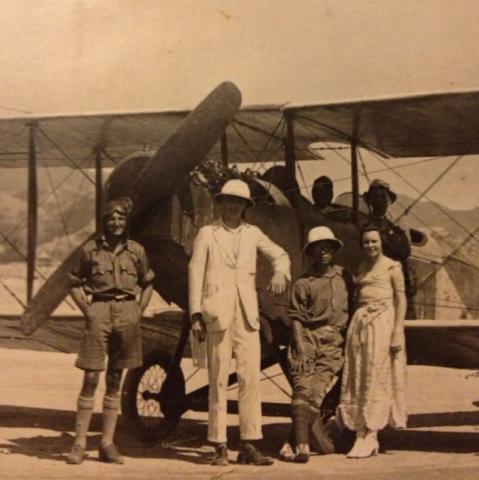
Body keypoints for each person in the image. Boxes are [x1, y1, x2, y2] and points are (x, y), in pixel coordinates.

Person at [188, 179, 290, 466]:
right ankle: (219, 444)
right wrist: (195, 314)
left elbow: (279, 254)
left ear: (246, 206)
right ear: (221, 203)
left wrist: (280, 272)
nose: (233, 205)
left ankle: (249, 443)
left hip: (246, 314)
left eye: (239, 201)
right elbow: (195, 271)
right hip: (217, 314)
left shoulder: (253, 233)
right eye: (228, 200)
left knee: (250, 378)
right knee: (218, 379)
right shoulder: (207, 233)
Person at [66, 197, 154, 465]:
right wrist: (88, 310)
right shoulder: (89, 251)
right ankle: (79, 443)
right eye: (111, 219)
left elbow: (147, 282)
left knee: (115, 379)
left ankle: (107, 443)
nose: (116, 223)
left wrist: (138, 311)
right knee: (92, 376)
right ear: (103, 222)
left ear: (126, 222)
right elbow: (73, 282)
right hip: (99, 311)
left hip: (128, 312)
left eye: (120, 219)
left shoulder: (137, 251)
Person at [279, 226, 353, 463]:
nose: (323, 252)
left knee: (317, 392)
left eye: (328, 247)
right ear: (310, 252)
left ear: (334, 250)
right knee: (303, 387)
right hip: (308, 338)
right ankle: (302, 445)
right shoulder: (303, 283)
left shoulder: (345, 277)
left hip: (334, 342)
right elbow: (296, 318)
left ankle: (291, 443)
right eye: (317, 248)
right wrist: (300, 347)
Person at [337, 224, 407, 458]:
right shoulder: (362, 266)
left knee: (377, 375)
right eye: (366, 242)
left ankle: (371, 434)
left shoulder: (392, 267)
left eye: (374, 241)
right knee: (358, 374)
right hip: (361, 323)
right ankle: (360, 431)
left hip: (383, 322)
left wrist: (397, 330)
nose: (370, 246)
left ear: (381, 243)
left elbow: (401, 299)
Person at [363, 178, 414, 315]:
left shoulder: (396, 227)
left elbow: (405, 251)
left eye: (383, 197)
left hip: (392, 283)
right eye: (375, 197)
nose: (379, 201)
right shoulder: (363, 225)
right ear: (369, 201)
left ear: (389, 201)